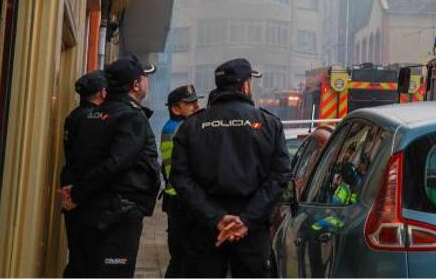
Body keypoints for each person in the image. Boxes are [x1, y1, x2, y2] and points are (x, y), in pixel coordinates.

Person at [171, 58, 291, 277]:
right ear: (245, 86)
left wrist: (215, 218)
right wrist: (247, 220)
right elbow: (280, 176)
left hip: (205, 230)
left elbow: (180, 178)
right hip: (252, 232)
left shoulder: (191, 126)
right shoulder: (269, 124)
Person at [60, 55, 161, 278]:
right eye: (145, 77)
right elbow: (116, 163)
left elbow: (81, 161)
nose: (147, 82)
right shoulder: (132, 117)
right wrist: (76, 192)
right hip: (118, 218)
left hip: (91, 211)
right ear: (135, 84)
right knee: (115, 267)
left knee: (85, 268)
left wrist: (76, 192)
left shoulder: (91, 115)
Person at [60, 70, 107, 278]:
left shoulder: (73, 116)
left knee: (77, 251)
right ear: (103, 94)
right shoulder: (92, 119)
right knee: (86, 258)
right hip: (83, 193)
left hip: (72, 186)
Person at [160, 84, 202, 278]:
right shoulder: (180, 129)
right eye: (189, 104)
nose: (196, 106)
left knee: (181, 258)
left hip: (176, 199)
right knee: (183, 258)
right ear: (176, 109)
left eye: (196, 101)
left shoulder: (175, 127)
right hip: (181, 200)